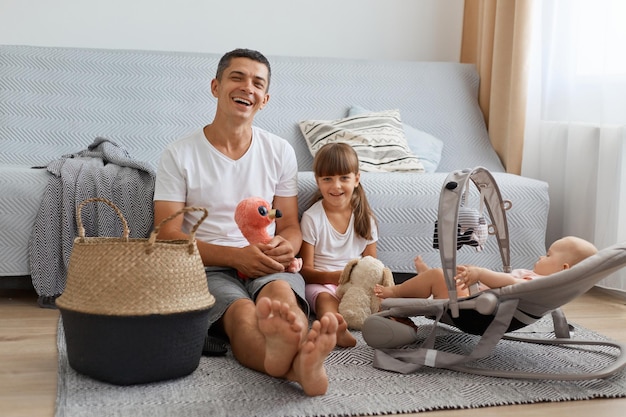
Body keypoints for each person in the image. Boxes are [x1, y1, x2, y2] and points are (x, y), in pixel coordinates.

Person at [152, 48, 337, 397]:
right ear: (216, 86)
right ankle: (297, 366)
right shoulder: (179, 154)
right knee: (241, 317)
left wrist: (288, 245)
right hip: (210, 267)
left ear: (264, 99)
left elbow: (291, 225)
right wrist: (235, 257)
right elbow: (166, 235)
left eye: (257, 83)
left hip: (268, 261)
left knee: (282, 298)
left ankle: (296, 359)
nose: (247, 87)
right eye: (237, 77)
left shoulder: (280, 150)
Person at [299, 142, 378, 348]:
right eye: (327, 179)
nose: (336, 186)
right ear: (318, 181)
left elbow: (372, 264)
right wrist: (335, 277)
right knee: (326, 300)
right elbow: (305, 272)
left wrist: (361, 283)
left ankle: (394, 323)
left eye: (344, 178)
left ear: (356, 179)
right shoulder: (312, 218)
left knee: (383, 300)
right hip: (320, 283)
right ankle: (336, 326)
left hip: (353, 284)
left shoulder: (366, 218)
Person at [375, 236, 598, 300]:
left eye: (548, 255)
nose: (541, 256)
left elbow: (511, 283)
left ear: (563, 268)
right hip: (475, 295)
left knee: (439, 275)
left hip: (470, 307)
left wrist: (481, 273)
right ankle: (427, 281)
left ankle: (394, 291)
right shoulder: (540, 280)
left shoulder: (539, 283)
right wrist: (476, 274)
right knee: (444, 276)